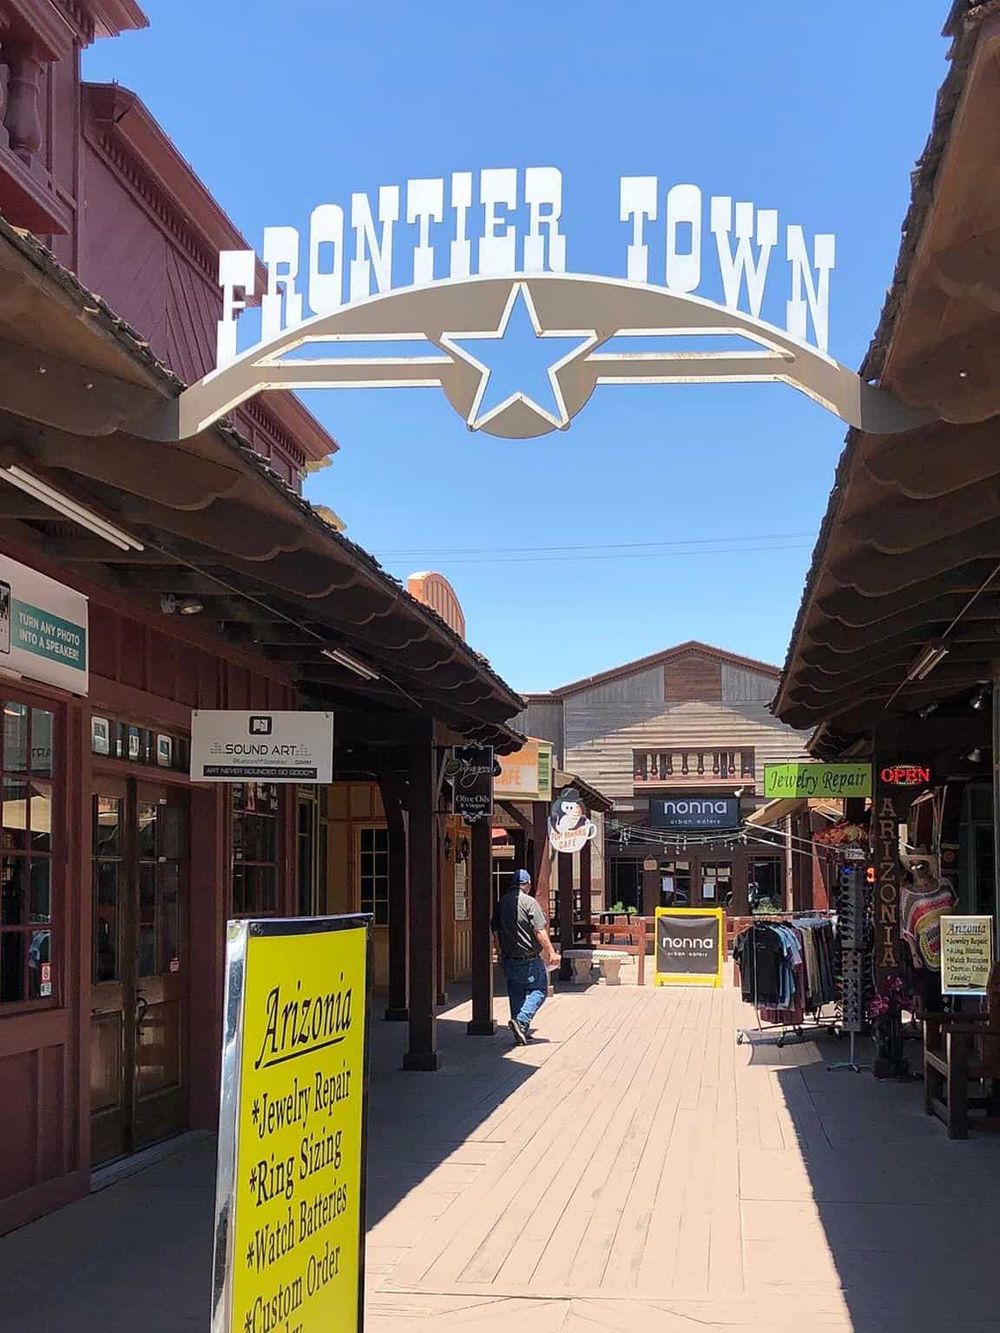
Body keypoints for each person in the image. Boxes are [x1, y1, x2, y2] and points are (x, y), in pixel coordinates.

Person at [491, 868, 559, 1045]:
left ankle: (520, 1031)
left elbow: (495, 930)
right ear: (527, 884)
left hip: (508, 957)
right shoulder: (529, 903)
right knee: (540, 990)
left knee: (516, 993)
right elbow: (539, 930)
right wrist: (551, 952)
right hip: (528, 957)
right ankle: (521, 1021)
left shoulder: (501, 903)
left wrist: (498, 951)